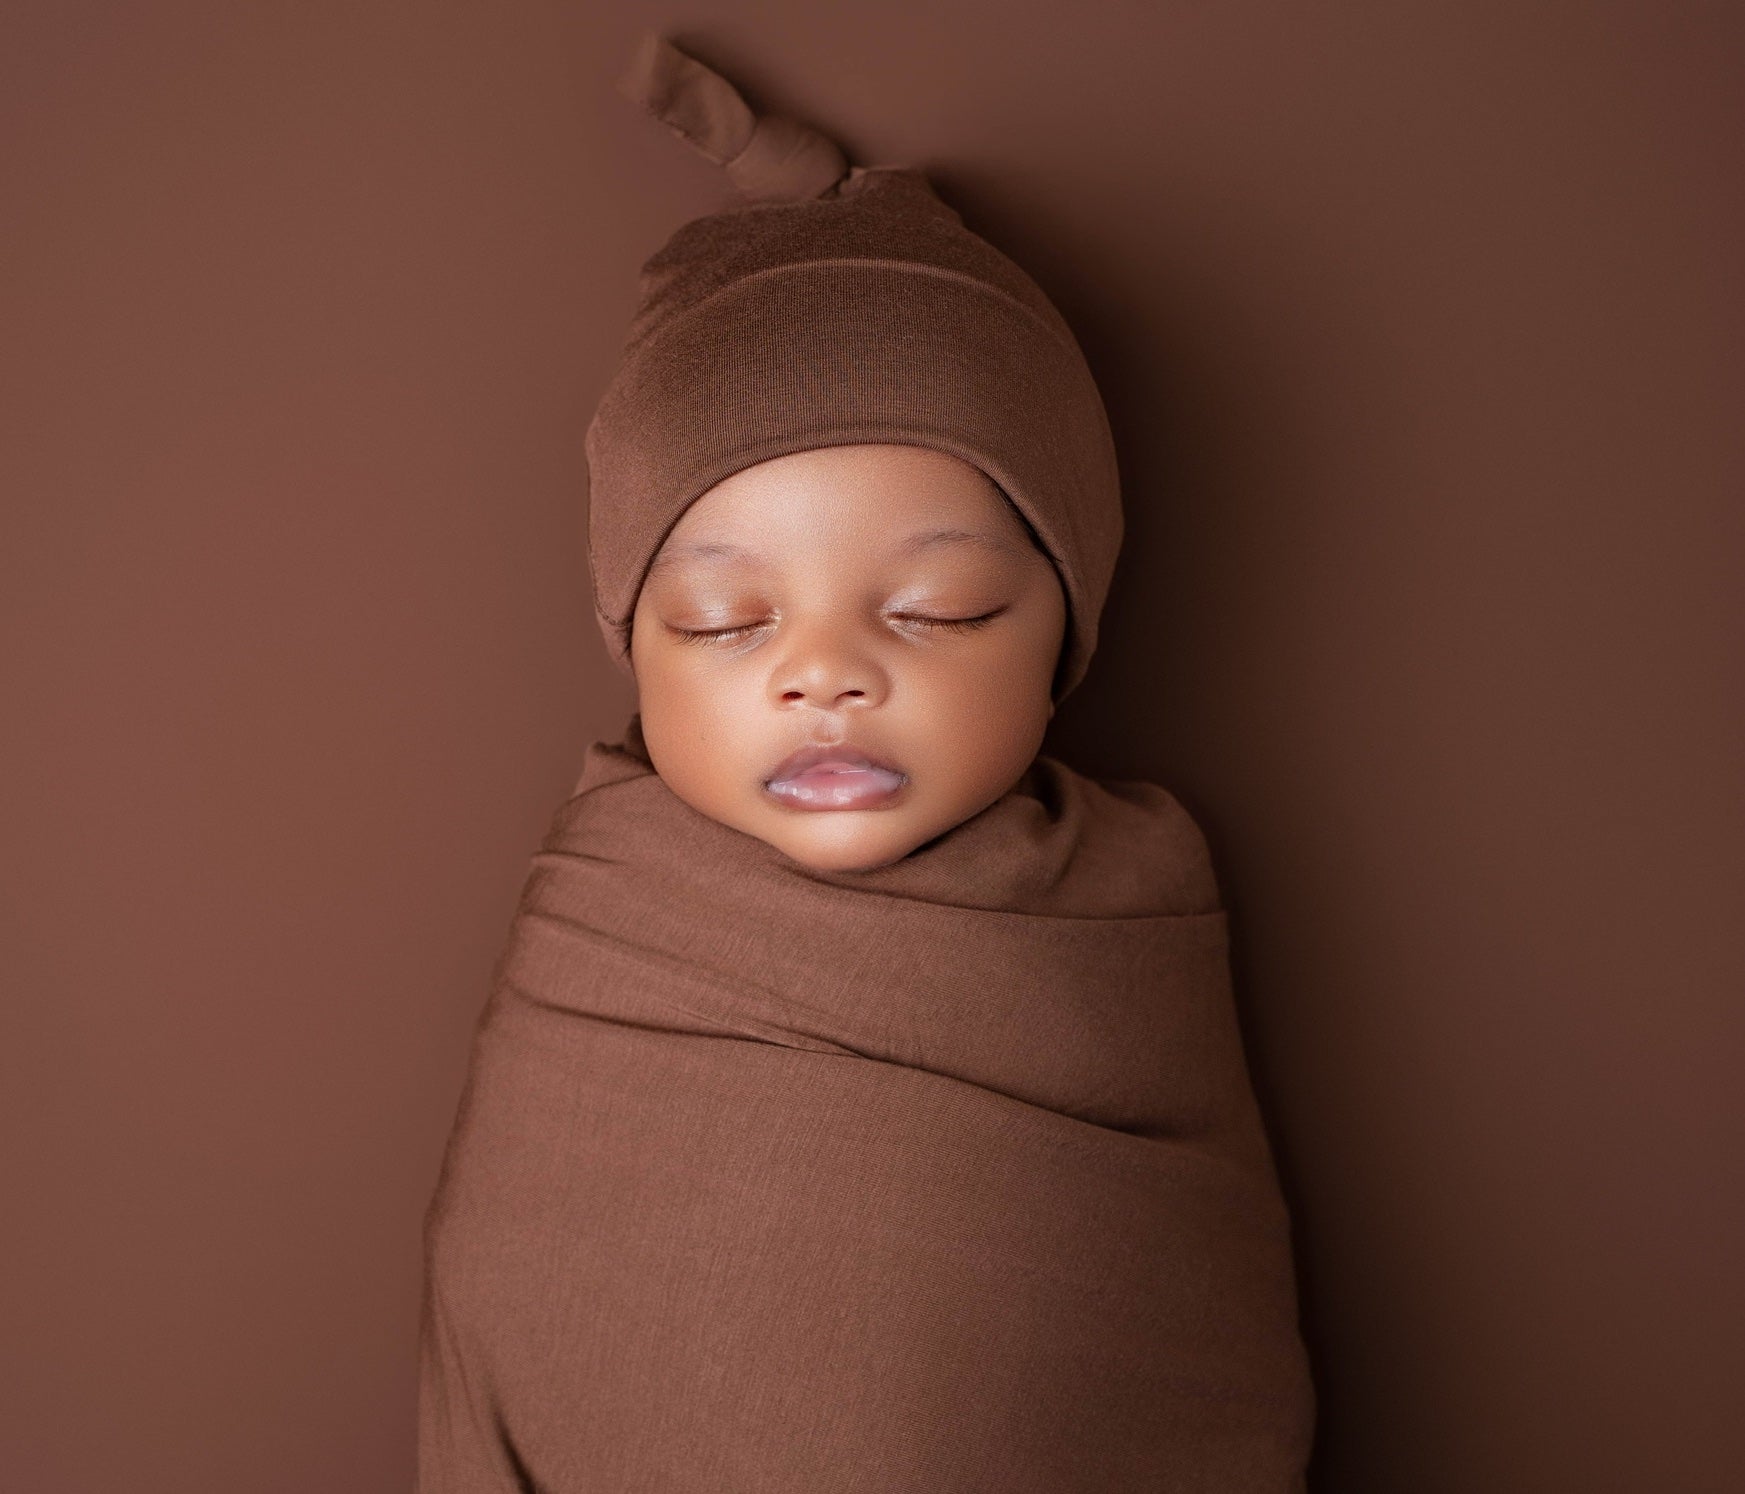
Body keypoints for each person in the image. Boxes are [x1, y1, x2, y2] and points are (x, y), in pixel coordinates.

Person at [417, 32, 1316, 1492]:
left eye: (936, 609)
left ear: (1065, 620)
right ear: (633, 642)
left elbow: (1199, 1381)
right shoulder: (595, 939)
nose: (822, 673)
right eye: (725, 619)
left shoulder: (1131, 931)